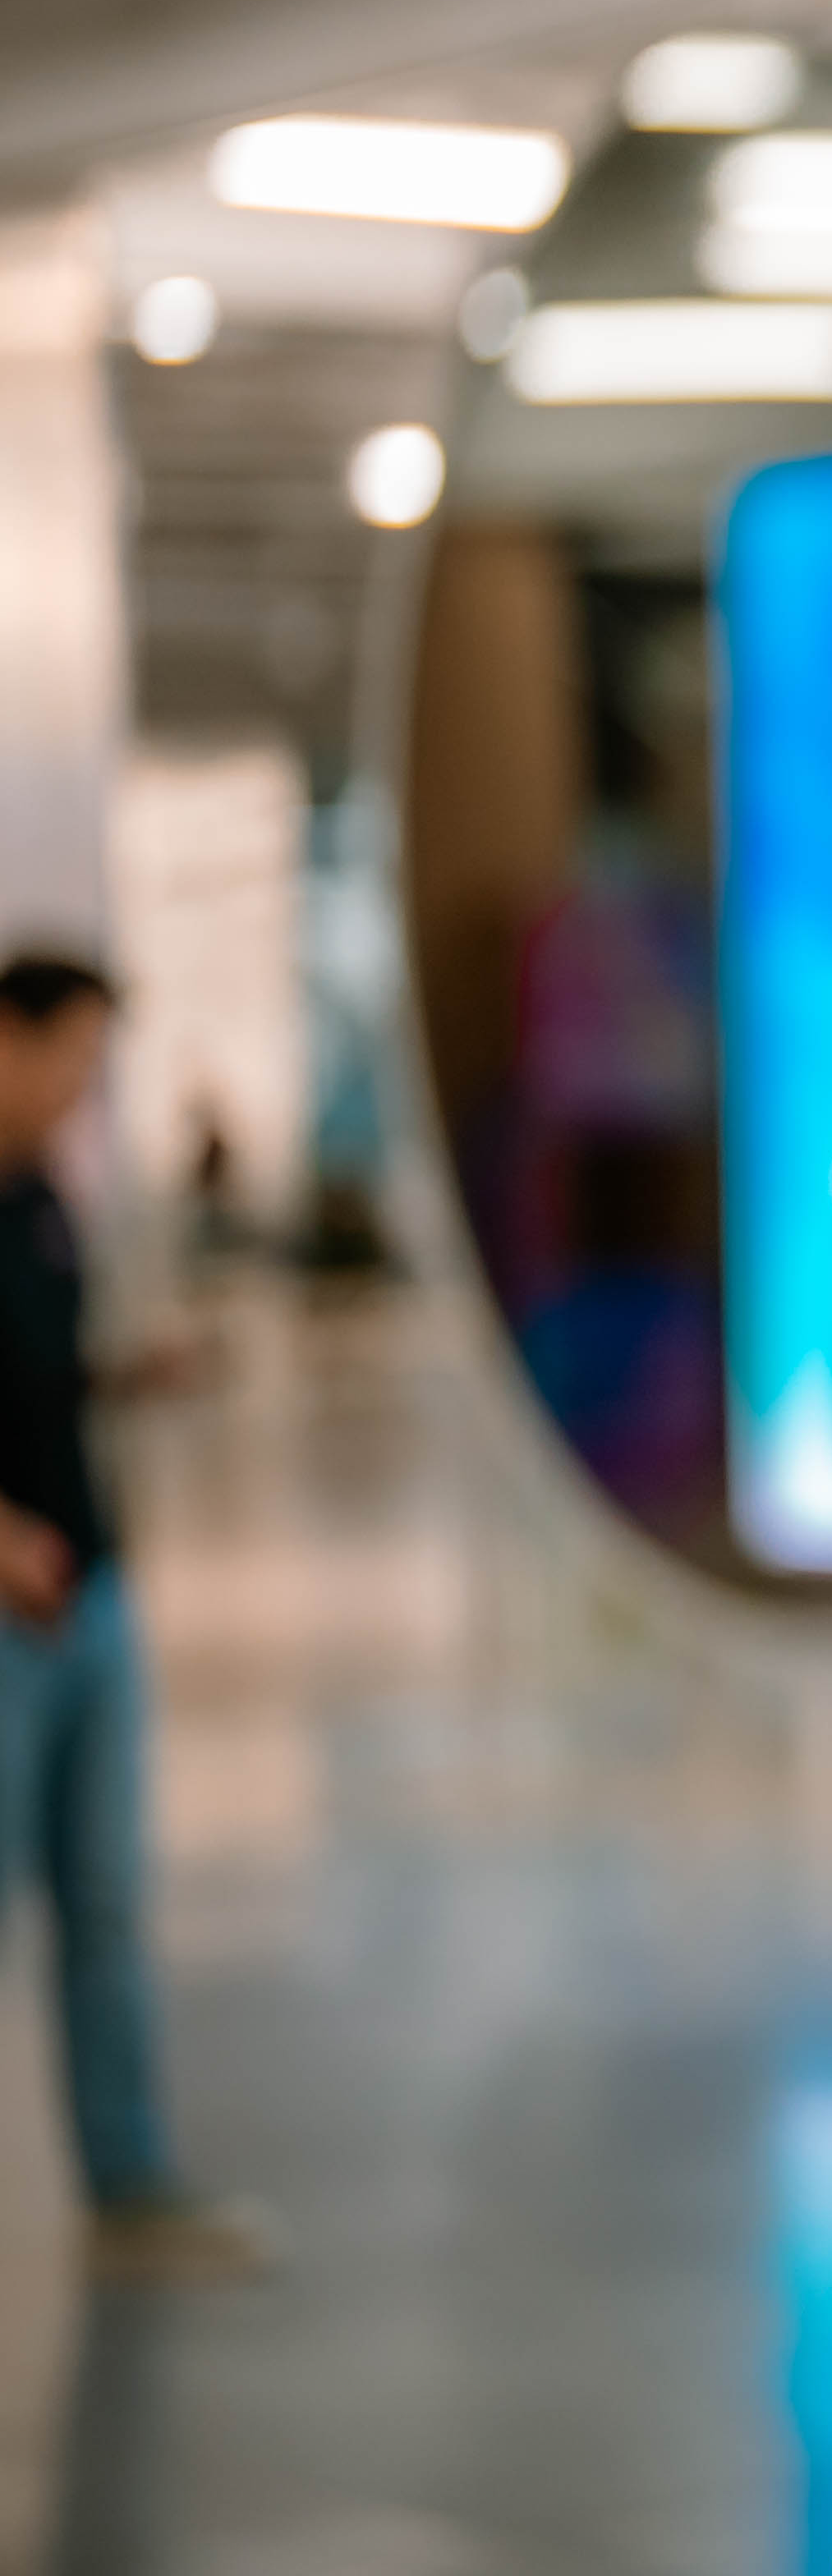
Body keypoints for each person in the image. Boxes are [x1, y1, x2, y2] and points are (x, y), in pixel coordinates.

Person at [0, 951, 271, 2285]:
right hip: (11, 1618)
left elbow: (37, 1380)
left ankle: (128, 2180)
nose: (82, 1087)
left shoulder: (43, 1202)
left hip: (89, 1595)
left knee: (104, 1906)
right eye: (71, 1057)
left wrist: (126, 1374)